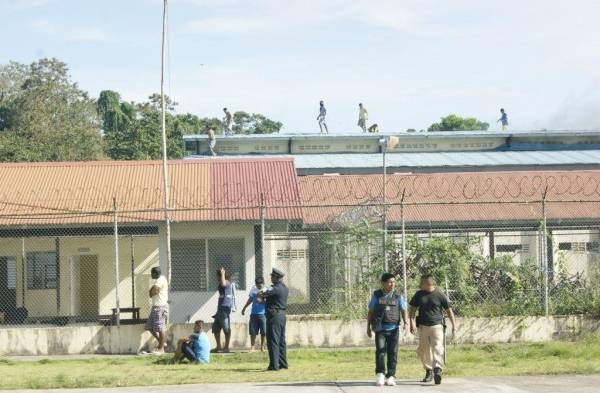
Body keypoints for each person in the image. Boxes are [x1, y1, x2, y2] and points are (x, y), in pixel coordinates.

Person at [409, 274, 456, 385]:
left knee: (438, 347)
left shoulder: (440, 294)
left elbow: (449, 311)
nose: (419, 285)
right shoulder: (419, 294)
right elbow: (412, 310)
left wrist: (454, 325)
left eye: (421, 283)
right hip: (423, 326)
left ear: (428, 283)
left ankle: (437, 369)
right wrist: (412, 324)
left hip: (437, 326)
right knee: (423, 350)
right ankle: (429, 370)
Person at [366, 273, 408, 387]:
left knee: (393, 353)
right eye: (390, 282)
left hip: (394, 329)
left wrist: (406, 323)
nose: (392, 284)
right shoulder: (377, 295)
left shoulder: (398, 296)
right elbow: (370, 312)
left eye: (394, 282)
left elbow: (404, 310)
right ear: (383, 283)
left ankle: (391, 376)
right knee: (380, 352)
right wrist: (368, 328)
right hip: (380, 329)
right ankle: (380, 374)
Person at [259, 268, 288, 371]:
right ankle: (283, 364)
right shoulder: (284, 288)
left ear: (276, 277)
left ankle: (274, 365)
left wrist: (262, 292)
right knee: (281, 341)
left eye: (272, 276)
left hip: (274, 316)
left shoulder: (275, 288)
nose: (271, 278)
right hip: (281, 315)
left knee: (273, 341)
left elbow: (260, 295)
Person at [145, 266, 168, 354]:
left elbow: (154, 291)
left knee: (160, 328)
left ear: (155, 273)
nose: (151, 275)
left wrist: (151, 291)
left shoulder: (161, 280)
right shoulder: (158, 280)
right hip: (155, 307)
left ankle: (161, 349)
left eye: (152, 273)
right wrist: (151, 291)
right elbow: (151, 292)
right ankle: (162, 343)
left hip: (160, 307)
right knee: (149, 327)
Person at [211, 267, 235, 353]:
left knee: (226, 328)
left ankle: (226, 347)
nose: (216, 278)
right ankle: (218, 347)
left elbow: (224, 283)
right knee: (216, 328)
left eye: (217, 276)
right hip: (219, 310)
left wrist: (222, 274)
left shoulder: (227, 283)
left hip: (224, 309)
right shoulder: (221, 283)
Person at [241, 277, 267, 352]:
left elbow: (269, 302)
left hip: (263, 314)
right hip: (254, 314)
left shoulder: (266, 290)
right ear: (255, 284)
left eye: (260, 285)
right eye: (257, 285)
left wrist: (262, 300)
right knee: (253, 331)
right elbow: (250, 299)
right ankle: (252, 347)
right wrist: (244, 308)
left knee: (264, 331)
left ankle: (262, 347)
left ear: (263, 283)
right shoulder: (253, 289)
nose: (259, 287)